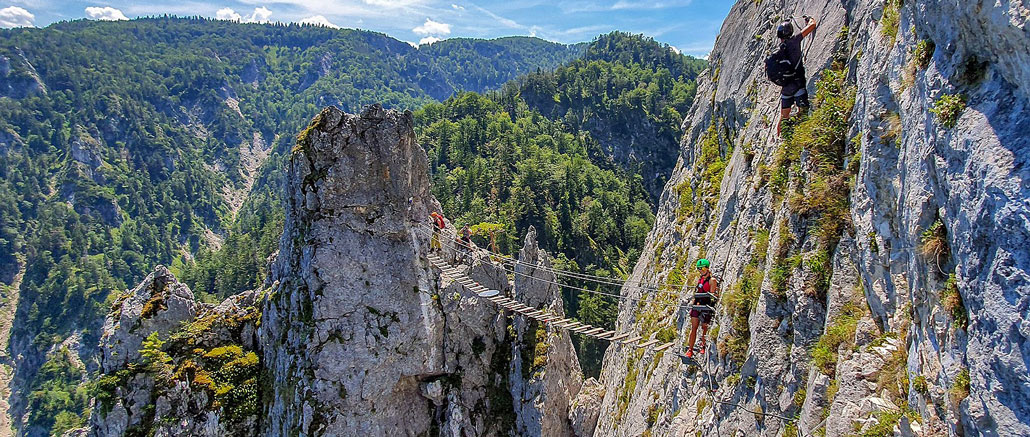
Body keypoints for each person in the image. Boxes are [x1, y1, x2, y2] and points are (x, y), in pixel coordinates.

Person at [774, 15, 818, 136]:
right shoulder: (795, 41)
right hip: (798, 84)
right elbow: (812, 25)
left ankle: (781, 139)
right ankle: (802, 136)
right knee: (803, 112)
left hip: (786, 88)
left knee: (784, 116)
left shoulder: (779, 50)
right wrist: (809, 19)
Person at [685, 258, 719, 359]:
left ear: (707, 268)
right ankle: (690, 349)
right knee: (694, 327)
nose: (700, 270)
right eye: (699, 269)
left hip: (706, 305)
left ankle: (703, 345)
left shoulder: (712, 280)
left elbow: (712, 296)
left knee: (704, 327)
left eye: (702, 268)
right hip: (697, 304)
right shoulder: (700, 279)